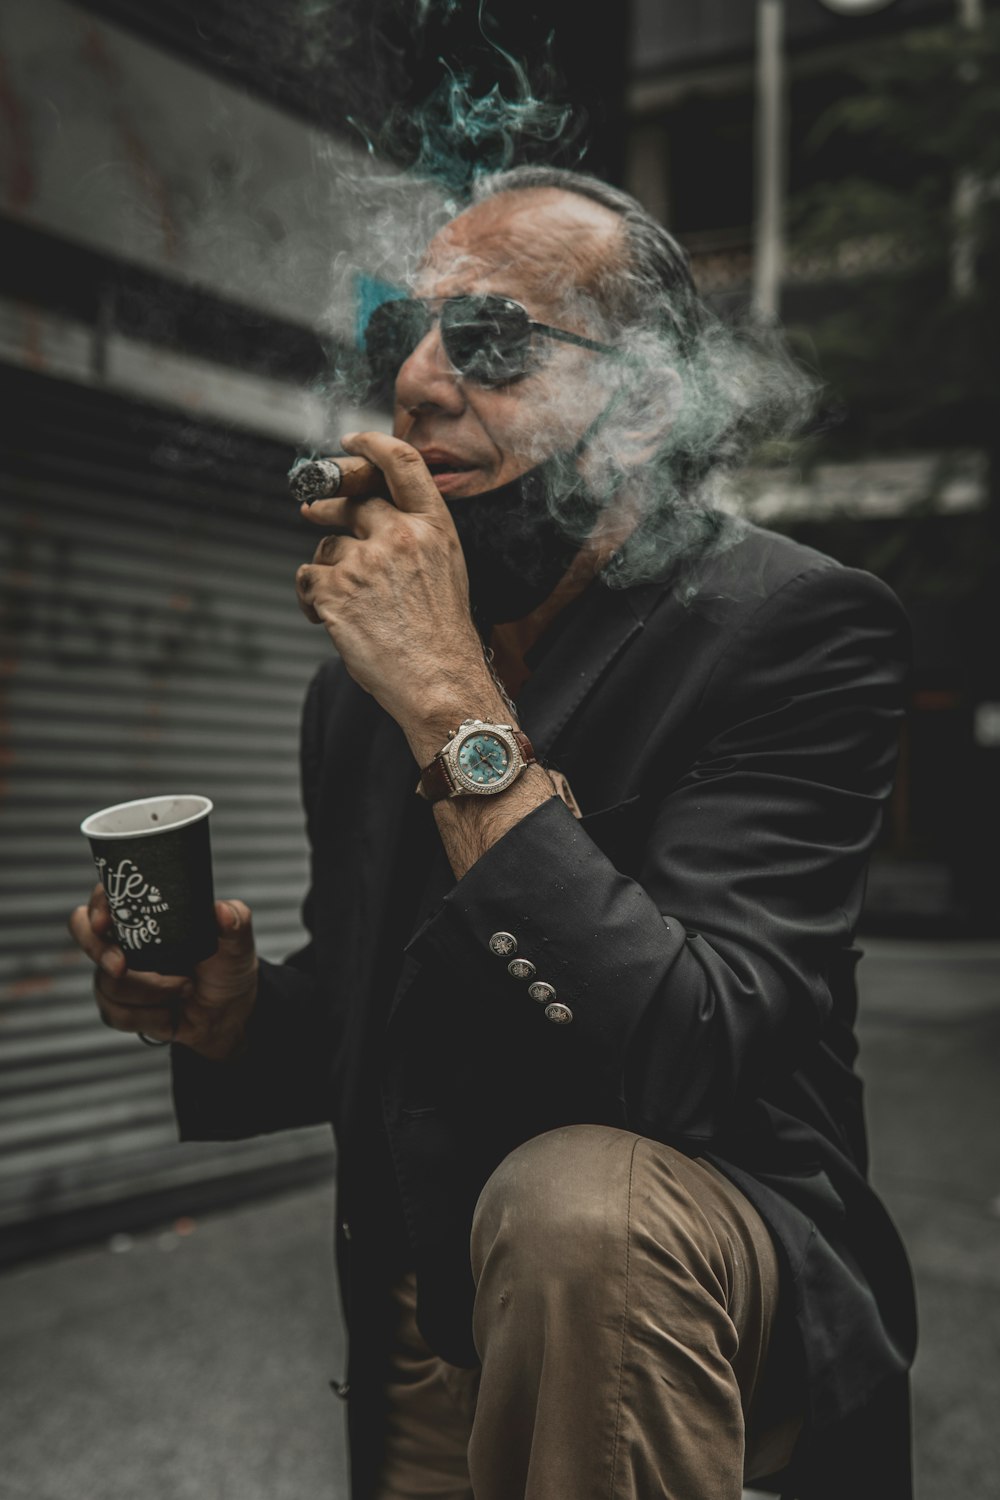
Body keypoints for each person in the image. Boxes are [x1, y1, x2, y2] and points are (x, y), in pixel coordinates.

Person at [70, 167, 916, 1500]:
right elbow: (391, 1028)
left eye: (493, 342)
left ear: (640, 406)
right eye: (403, 332)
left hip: (695, 1290)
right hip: (431, 1315)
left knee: (578, 1207)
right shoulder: (354, 687)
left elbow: (692, 1050)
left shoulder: (788, 629)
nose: (413, 380)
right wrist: (233, 1017)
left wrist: (451, 699)